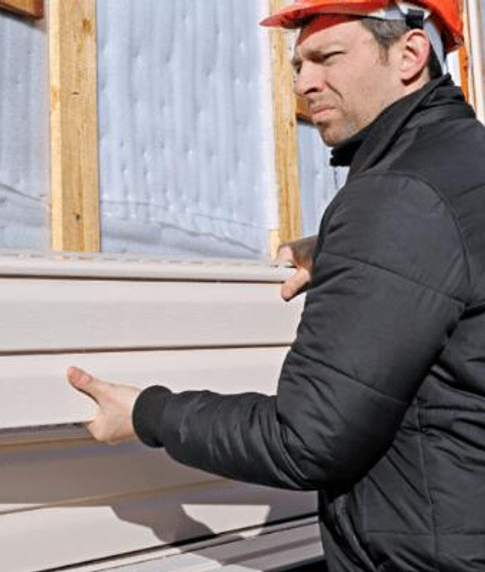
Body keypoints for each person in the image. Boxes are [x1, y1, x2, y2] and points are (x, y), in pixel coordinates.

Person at [67, 1, 485, 570]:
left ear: (409, 55)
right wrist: (351, 248)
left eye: (327, 57)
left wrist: (148, 413)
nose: (304, 83)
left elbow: (306, 439)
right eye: (297, 66)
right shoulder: (461, 170)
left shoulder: (401, 199)